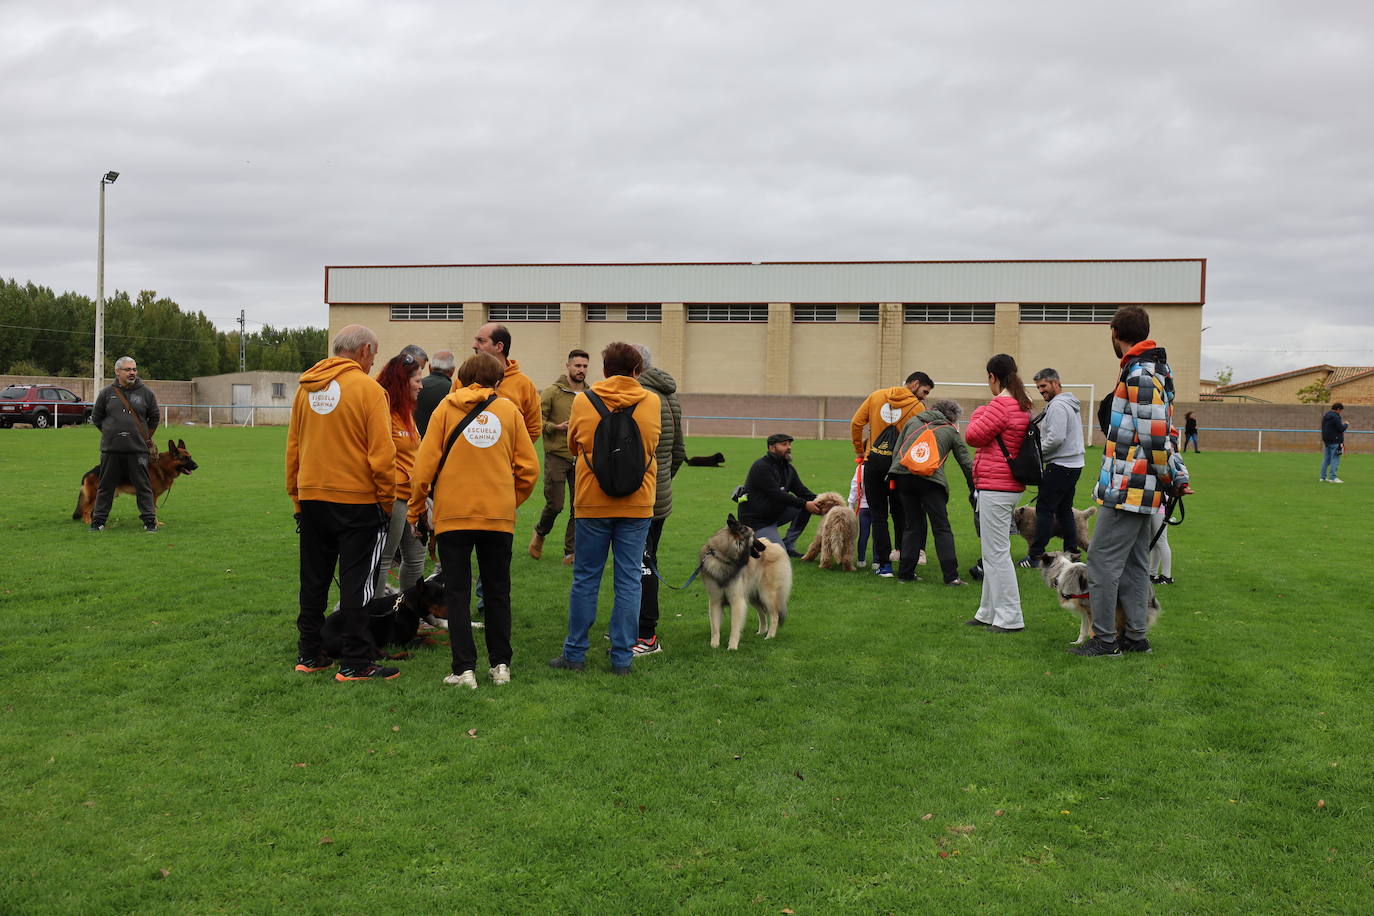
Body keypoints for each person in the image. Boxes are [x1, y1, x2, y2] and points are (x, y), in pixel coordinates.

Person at [408, 353, 538, 689]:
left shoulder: (446, 410)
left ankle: (464, 669)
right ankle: (501, 666)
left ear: (461, 378)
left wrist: (415, 509)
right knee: (497, 592)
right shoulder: (509, 411)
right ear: (498, 382)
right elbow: (528, 469)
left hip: (453, 515)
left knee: (457, 592)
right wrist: (509, 500)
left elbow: (423, 466)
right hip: (497, 516)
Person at [1070, 306, 1191, 658]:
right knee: (1137, 563)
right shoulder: (1152, 371)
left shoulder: (1138, 374)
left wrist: (1171, 477)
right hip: (1141, 487)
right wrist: (1176, 475)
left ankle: (1105, 640)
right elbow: (1166, 434)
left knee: (1102, 562)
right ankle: (1136, 637)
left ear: (1114, 332)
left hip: (1128, 488)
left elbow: (1156, 436)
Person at [286, 324, 399, 681]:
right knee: (357, 584)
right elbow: (382, 455)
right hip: (357, 500)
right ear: (365, 350)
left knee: (314, 580)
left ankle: (310, 654)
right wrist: (385, 500)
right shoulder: (369, 390)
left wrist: (297, 496)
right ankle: (355, 661)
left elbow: (293, 449)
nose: (373, 362)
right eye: (374, 354)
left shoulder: (305, 389)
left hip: (312, 496)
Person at [550, 342, 661, 676]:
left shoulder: (584, 400)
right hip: (638, 502)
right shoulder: (651, 401)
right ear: (637, 370)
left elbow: (573, 444)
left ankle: (575, 653)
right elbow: (651, 444)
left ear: (605, 369)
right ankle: (622, 658)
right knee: (629, 580)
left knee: (585, 578)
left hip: (591, 501)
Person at [963, 354, 1032, 633]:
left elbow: (972, 435)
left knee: (997, 554)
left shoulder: (1000, 404)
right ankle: (988, 612)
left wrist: (980, 412)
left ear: (993, 376)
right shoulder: (1021, 404)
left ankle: (1010, 617)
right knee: (992, 553)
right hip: (1004, 486)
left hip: (996, 486)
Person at [850, 371, 932, 577]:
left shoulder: (876, 396)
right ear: (914, 384)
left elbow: (856, 424)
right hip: (900, 468)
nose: (924, 397)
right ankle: (906, 566)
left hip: (874, 464)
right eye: (924, 391)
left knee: (879, 516)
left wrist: (860, 451)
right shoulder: (918, 407)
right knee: (903, 516)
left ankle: (884, 566)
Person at [633, 345, 687, 656]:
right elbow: (679, 452)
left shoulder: (639, 396)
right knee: (645, 560)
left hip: (640, 498)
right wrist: (664, 480)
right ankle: (631, 628)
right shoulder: (671, 396)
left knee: (641, 565)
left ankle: (646, 636)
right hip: (661, 496)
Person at [888, 398, 975, 585]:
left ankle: (905, 574)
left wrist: (895, 476)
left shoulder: (913, 421)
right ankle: (951, 577)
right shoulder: (950, 430)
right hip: (930, 481)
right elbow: (966, 463)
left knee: (912, 526)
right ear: (952, 417)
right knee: (941, 528)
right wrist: (973, 487)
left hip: (903, 477)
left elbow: (898, 449)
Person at [373, 350, 426, 595]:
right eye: (417, 380)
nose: (421, 385)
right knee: (384, 558)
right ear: (402, 382)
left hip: (413, 499)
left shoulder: (407, 414)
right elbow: (380, 455)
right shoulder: (383, 412)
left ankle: (410, 614)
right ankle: (378, 616)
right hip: (393, 498)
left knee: (416, 558)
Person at [88, 356, 160, 533]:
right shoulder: (106, 393)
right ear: (117, 372)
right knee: (105, 487)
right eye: (128, 369)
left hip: (137, 451)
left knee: (143, 487)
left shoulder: (146, 393)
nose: (132, 373)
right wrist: (111, 434)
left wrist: (144, 438)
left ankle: (150, 521)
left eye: (134, 369)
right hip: (111, 450)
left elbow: (154, 418)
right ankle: (98, 521)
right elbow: (96, 418)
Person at [1021, 368, 1085, 566]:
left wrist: (1037, 455)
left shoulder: (1057, 406)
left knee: (1045, 509)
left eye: (1043, 386)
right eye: (1039, 387)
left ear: (1056, 383)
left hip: (1061, 465)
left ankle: (1036, 555)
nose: (1041, 390)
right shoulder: (1068, 404)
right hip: (1074, 464)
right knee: (1064, 510)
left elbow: (1056, 438)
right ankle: (1071, 551)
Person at [530, 349, 589, 564]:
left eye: (584, 366)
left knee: (578, 507)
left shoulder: (591, 393)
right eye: (577, 366)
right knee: (556, 505)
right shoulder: (552, 392)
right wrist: (556, 427)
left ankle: (570, 553)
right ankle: (540, 532)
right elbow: (537, 421)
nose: (581, 370)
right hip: (556, 455)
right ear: (568, 366)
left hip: (582, 458)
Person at [737, 434, 822, 557]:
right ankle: (750, 537)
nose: (788, 447)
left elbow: (803, 492)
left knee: (805, 506)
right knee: (778, 555)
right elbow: (776, 494)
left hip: (775, 514)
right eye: (784, 444)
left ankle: (789, 544)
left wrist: (826, 501)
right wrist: (805, 504)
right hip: (757, 521)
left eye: (789, 444)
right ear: (772, 448)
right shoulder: (761, 466)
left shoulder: (788, 469)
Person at [471, 322, 541, 445]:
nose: (474, 345)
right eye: (476, 340)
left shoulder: (524, 384)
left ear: (499, 347)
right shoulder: (464, 380)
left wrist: (511, 452)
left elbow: (533, 429)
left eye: (481, 341)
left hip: (506, 462)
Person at [414, 350, 455, 437]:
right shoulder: (454, 392)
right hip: (440, 444)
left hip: (415, 443)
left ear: (430, 368)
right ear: (452, 371)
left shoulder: (415, 388)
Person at [848, 461, 872, 568]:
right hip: (877, 507)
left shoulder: (860, 468)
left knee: (863, 534)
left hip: (863, 506)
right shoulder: (881, 465)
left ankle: (861, 560)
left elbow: (855, 486)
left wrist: (851, 503)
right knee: (877, 534)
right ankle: (877, 561)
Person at [1320, 403, 1347, 483]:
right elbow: (1341, 428)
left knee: (1326, 459)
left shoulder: (1325, 416)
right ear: (1338, 409)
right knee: (1335, 459)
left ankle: (1323, 477)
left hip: (1327, 440)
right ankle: (1333, 477)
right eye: (1340, 410)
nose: (1340, 412)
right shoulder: (1336, 417)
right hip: (1336, 441)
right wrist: (1346, 425)